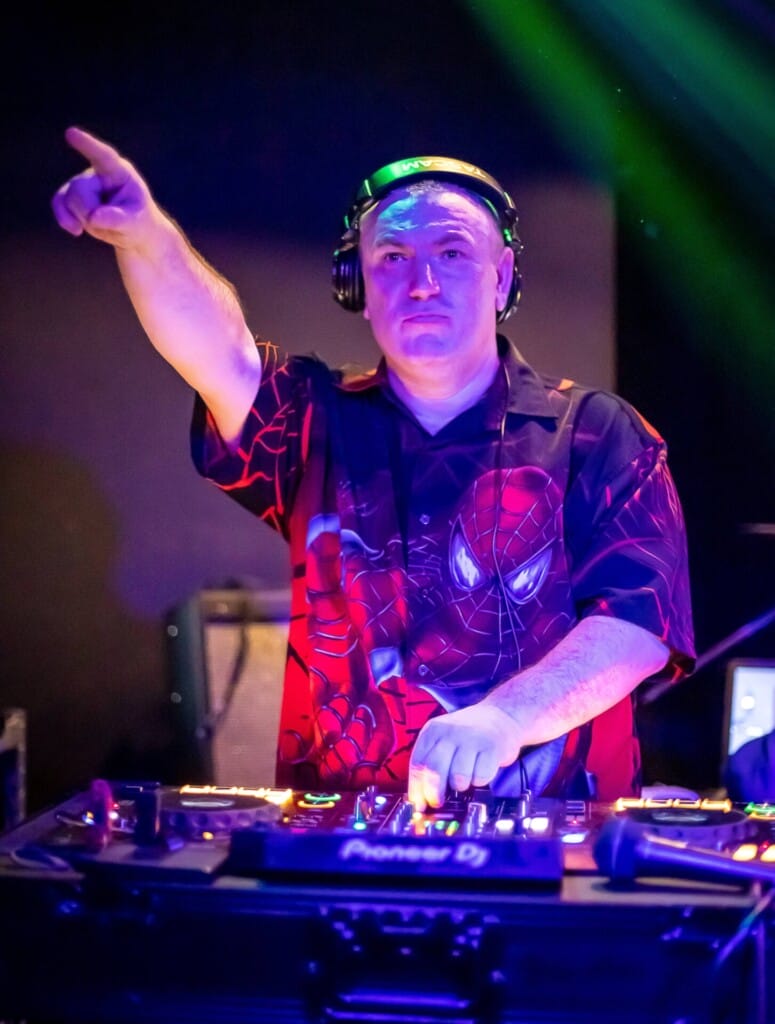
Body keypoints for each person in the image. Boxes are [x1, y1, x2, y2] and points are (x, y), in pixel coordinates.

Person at [52, 127, 695, 811]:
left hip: (554, 832)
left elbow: (640, 625)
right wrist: (146, 238)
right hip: (340, 835)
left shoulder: (598, 434)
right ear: (356, 281)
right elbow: (221, 353)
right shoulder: (312, 420)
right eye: (392, 257)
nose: (422, 284)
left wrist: (506, 717)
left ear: (501, 275)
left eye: (452, 253)